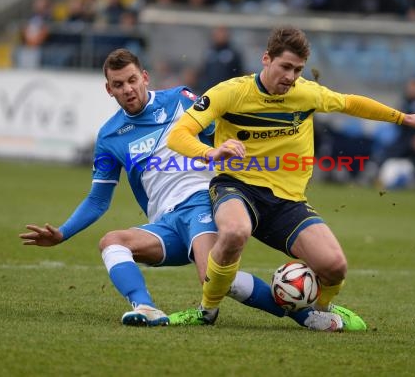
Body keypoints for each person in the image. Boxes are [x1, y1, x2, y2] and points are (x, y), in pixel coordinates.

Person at [19, 48, 344, 331]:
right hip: (165, 225)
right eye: (118, 85)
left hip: (202, 204)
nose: (128, 89)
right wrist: (63, 233)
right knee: (112, 241)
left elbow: (225, 127)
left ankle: (306, 317)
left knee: (212, 278)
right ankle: (145, 308)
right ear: (109, 90)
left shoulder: (180, 100)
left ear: (145, 77)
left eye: (132, 80)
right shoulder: (109, 137)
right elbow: (98, 200)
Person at [167, 26, 415, 329]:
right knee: (235, 231)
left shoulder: (306, 93)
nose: (290, 76)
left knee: (335, 267)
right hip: (237, 186)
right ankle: (206, 311)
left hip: (287, 201)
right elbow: (179, 135)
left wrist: (404, 118)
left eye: (298, 70)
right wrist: (211, 153)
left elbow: (350, 102)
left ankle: (319, 310)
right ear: (266, 59)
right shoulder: (230, 92)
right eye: (285, 67)